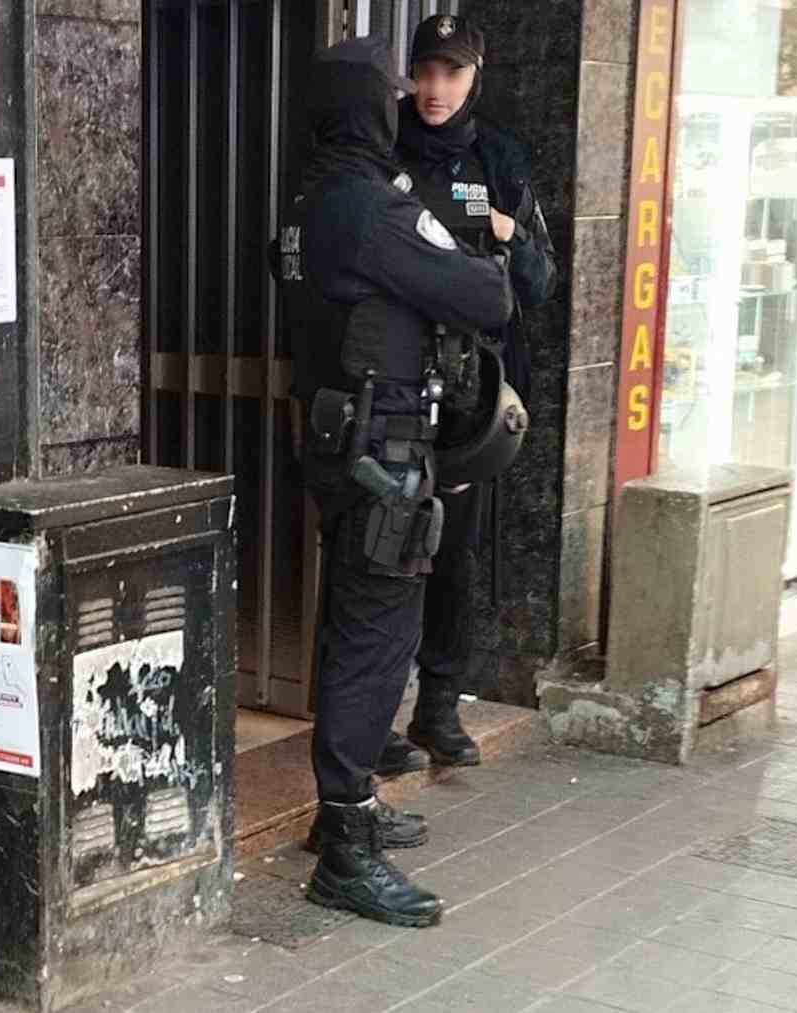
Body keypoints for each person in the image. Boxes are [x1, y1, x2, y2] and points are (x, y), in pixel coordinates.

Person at [277, 35, 513, 927]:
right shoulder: (376, 210)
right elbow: (486, 299)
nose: (410, 102)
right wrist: (479, 260)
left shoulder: (306, 206)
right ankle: (345, 843)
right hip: (381, 451)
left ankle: (349, 809)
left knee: (351, 623)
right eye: (395, 94)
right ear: (372, 109)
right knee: (377, 634)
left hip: (341, 444)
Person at [377, 13, 559, 775]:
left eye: (451, 73)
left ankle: (439, 708)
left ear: (474, 75)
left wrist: (512, 234)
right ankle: (372, 718)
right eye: (425, 71)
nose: (435, 89)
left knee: (454, 556)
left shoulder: (499, 158)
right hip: (386, 389)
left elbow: (543, 283)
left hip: (469, 401)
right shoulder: (378, 146)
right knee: (381, 559)